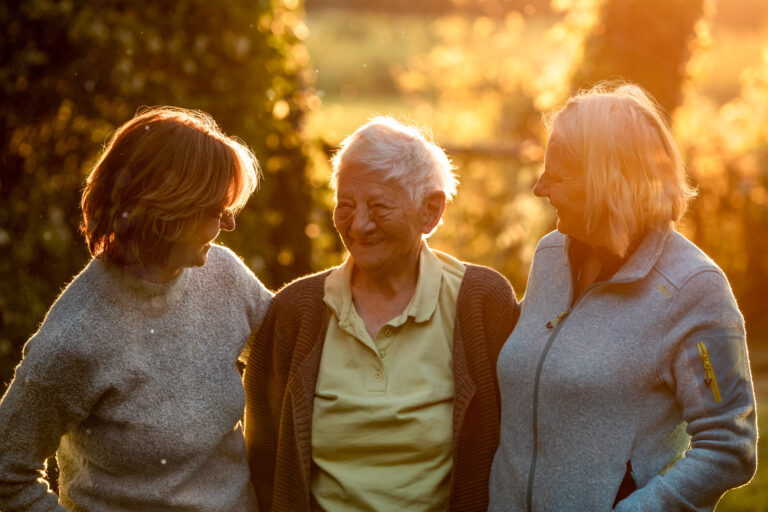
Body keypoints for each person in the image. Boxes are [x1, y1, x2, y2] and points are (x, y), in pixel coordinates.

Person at [488, 83, 758, 511]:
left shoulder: (696, 289)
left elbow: (730, 445)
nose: (540, 188)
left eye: (556, 175)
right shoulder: (550, 255)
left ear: (605, 182)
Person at [0, 107, 273, 511]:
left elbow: (293, 348)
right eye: (216, 211)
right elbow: (8, 473)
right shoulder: (75, 338)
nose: (228, 226)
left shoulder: (224, 275)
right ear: (168, 210)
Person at [243, 116, 520, 511]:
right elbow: (264, 460)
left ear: (431, 211)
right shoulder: (296, 311)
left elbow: (514, 447)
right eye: (345, 206)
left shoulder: (481, 303)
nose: (358, 225)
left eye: (378, 206)